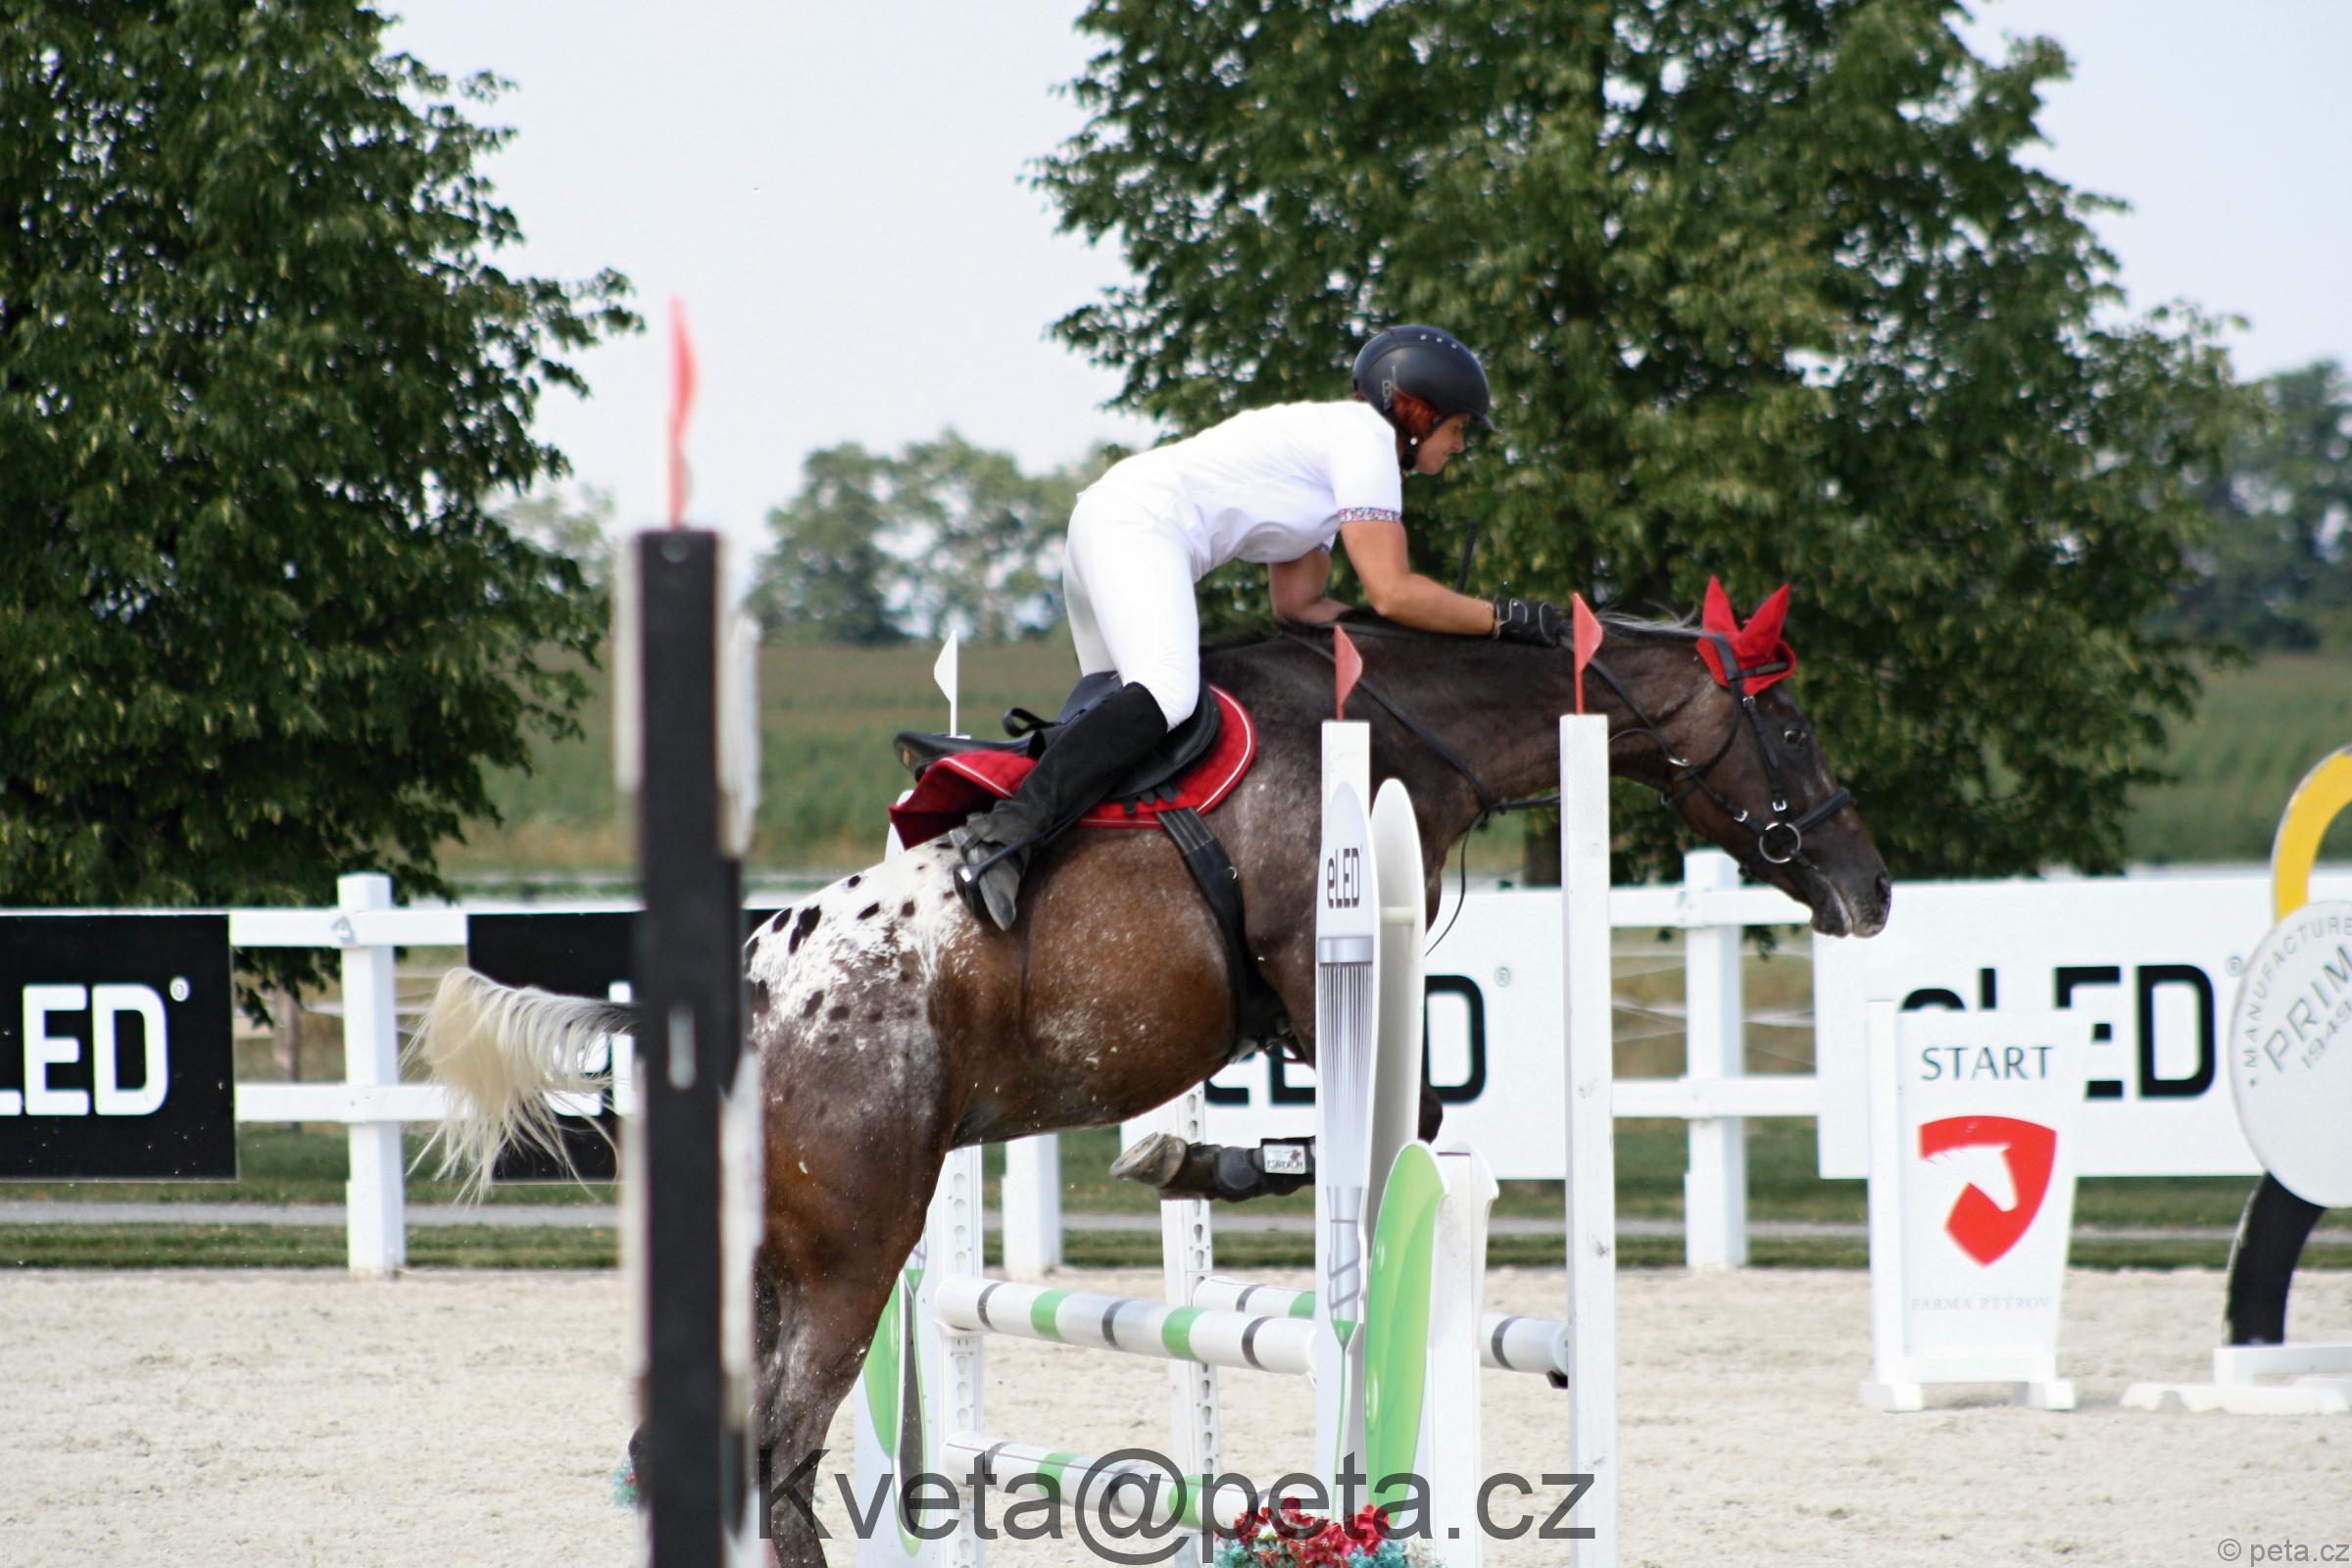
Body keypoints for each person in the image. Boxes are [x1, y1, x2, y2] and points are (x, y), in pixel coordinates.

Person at [951, 324, 1570, 930]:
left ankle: (1045, 860)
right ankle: (1001, 838)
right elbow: (1392, 592)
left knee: (1116, 726)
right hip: (1138, 525)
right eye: (1458, 427)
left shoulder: (1341, 451)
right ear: (1415, 411)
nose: (1459, 445)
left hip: (1113, 520)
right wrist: (1501, 619)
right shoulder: (1368, 442)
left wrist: (1423, 635)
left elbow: (1299, 607)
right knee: (1168, 693)